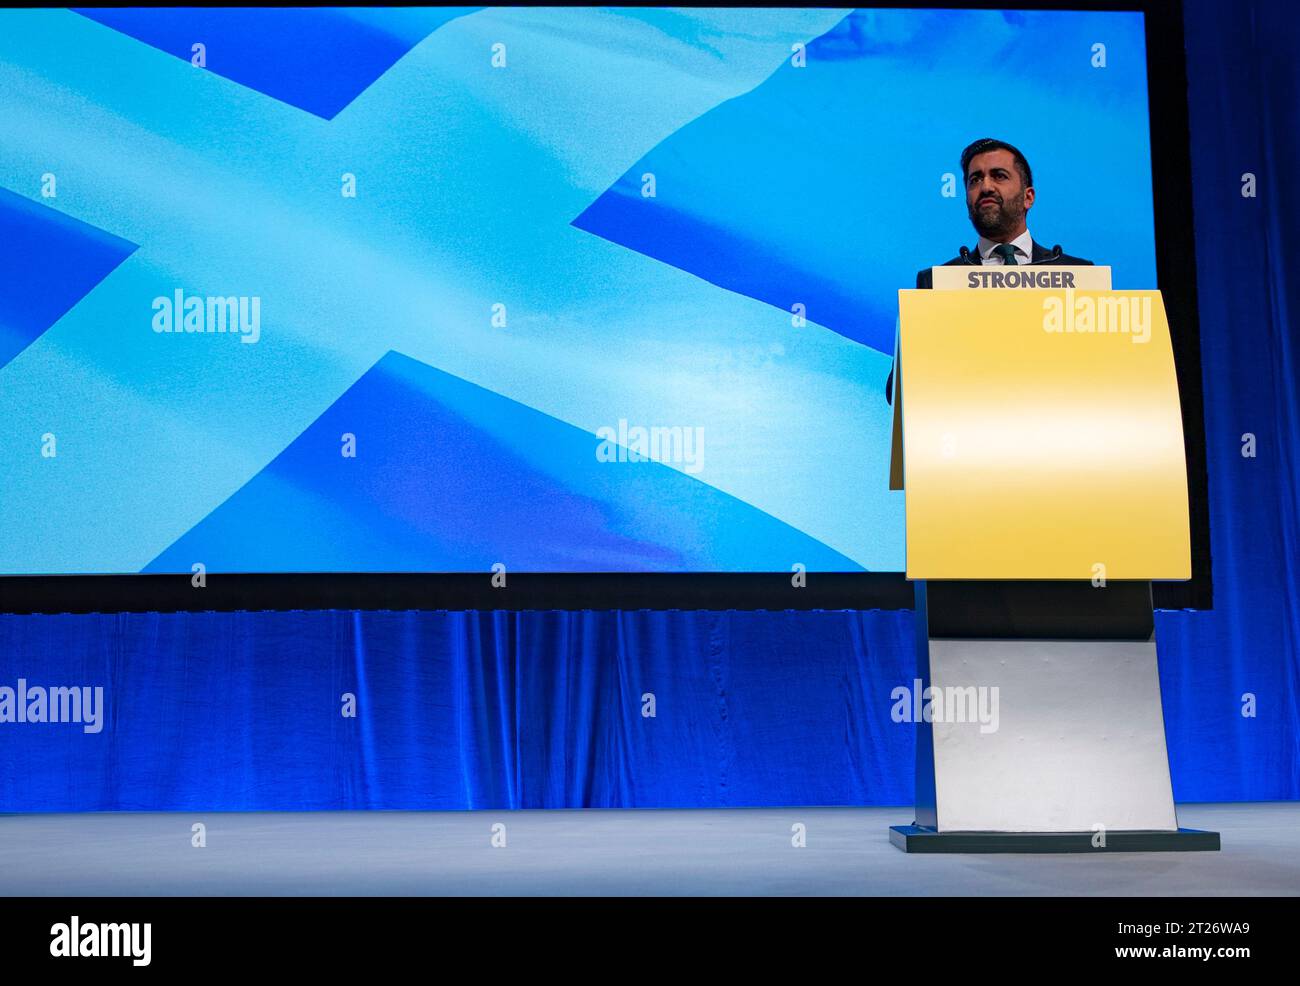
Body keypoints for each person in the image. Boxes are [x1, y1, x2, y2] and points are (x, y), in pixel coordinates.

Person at [887, 138, 1093, 402]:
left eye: (999, 176)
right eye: (975, 180)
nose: (985, 186)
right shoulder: (937, 282)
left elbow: (1101, 373)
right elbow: (898, 391)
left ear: (1028, 197)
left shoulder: (1077, 274)